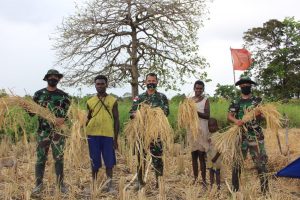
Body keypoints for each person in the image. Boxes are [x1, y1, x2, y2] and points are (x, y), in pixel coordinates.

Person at [31, 69, 70, 195]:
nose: (53, 78)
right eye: (51, 77)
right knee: (41, 158)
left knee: (59, 158)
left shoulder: (64, 96)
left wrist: (63, 119)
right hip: (43, 132)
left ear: (58, 79)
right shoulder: (38, 94)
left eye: (56, 77)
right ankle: (38, 185)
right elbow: (32, 113)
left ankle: (60, 185)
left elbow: (70, 114)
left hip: (58, 132)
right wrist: (26, 107)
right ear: (47, 78)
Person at [227, 76, 269, 194]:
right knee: (237, 163)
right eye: (243, 85)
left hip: (256, 136)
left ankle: (265, 191)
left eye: (247, 84)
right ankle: (235, 191)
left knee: (261, 163)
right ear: (240, 86)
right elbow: (229, 116)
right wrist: (237, 121)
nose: (245, 86)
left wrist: (259, 115)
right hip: (241, 136)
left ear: (251, 85)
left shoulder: (258, 101)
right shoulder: (236, 102)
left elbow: (265, 116)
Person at [129, 73, 169, 190]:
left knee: (158, 158)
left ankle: (159, 183)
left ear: (157, 82)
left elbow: (166, 112)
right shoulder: (139, 98)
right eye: (149, 80)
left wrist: (153, 113)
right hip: (141, 133)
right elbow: (131, 113)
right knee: (140, 158)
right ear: (145, 82)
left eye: (153, 80)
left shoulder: (162, 97)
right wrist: (139, 114)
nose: (151, 82)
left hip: (156, 133)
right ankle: (140, 182)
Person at [86, 75, 120, 192]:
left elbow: (116, 120)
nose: (100, 86)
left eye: (102, 84)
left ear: (106, 85)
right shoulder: (90, 102)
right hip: (92, 134)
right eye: (98, 84)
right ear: (95, 85)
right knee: (94, 160)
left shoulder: (113, 100)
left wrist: (115, 139)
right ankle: (95, 185)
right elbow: (87, 118)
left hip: (108, 135)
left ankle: (110, 185)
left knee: (109, 161)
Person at [188, 80, 210, 189]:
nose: (198, 90)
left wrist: (195, 112)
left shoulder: (205, 100)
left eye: (200, 89)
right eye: (197, 88)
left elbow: (207, 115)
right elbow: (186, 116)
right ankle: (195, 179)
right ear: (194, 88)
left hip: (202, 131)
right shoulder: (189, 101)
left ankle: (204, 180)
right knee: (194, 156)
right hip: (192, 132)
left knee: (201, 156)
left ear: (203, 89)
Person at [207, 118, 221, 190]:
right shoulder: (209, 135)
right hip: (210, 157)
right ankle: (212, 185)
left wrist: (215, 158)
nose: (211, 127)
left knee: (217, 172)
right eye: (209, 126)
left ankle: (218, 187)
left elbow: (220, 149)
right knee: (211, 171)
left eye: (213, 126)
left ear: (217, 126)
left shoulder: (218, 135)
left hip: (216, 158)